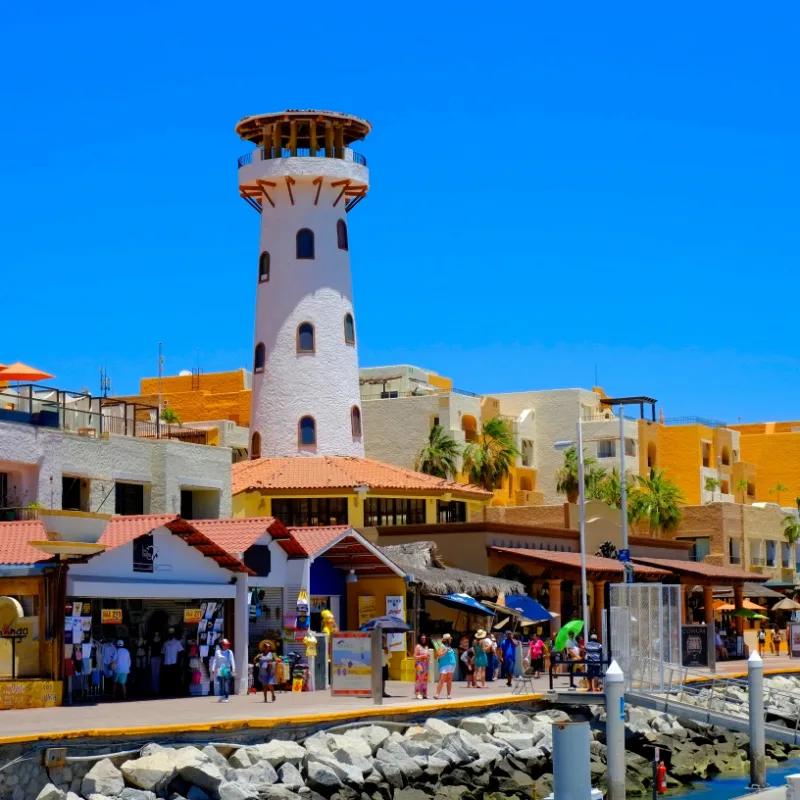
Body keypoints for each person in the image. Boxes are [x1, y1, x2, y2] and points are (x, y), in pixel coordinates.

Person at [161, 628, 184, 697]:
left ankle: (175, 693)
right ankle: (168, 693)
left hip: (174, 664)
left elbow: (181, 653)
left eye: (172, 633)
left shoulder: (177, 642)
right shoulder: (165, 643)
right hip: (167, 664)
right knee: (167, 680)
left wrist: (179, 663)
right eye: (169, 633)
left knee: (175, 679)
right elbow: (163, 653)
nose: (170, 635)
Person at [434, 633, 456, 699]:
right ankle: (437, 694)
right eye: (449, 639)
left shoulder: (449, 646)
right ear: (447, 640)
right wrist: (446, 651)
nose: (450, 640)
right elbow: (439, 655)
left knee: (449, 680)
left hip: (451, 664)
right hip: (444, 665)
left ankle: (448, 694)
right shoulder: (442, 646)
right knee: (442, 679)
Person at [414, 634, 430, 700]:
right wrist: (421, 657)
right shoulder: (418, 646)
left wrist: (428, 657)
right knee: (419, 679)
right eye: (422, 638)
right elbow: (414, 656)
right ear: (420, 639)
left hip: (425, 664)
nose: (423, 639)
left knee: (425, 680)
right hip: (419, 665)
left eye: (424, 638)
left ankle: (424, 693)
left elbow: (428, 655)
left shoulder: (426, 647)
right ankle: (418, 693)